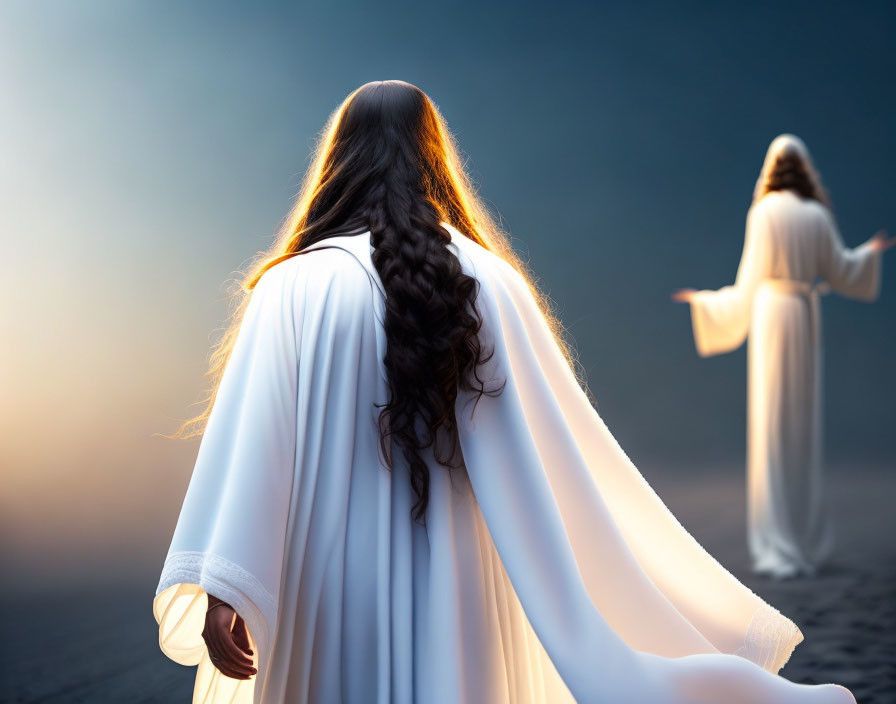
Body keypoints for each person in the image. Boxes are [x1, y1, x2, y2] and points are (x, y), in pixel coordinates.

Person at [154, 85, 855, 703]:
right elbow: (567, 455)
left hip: (327, 587)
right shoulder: (494, 283)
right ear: (434, 158)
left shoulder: (290, 288)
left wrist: (227, 584)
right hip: (465, 591)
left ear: (338, 161)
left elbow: (253, 450)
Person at [673, 134, 893, 579]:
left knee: (773, 425)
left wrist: (706, 302)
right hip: (804, 313)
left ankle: (778, 544)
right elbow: (842, 269)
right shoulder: (816, 214)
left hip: (772, 313)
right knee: (801, 425)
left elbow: (749, 282)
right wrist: (869, 253)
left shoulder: (765, 213)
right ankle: (803, 540)